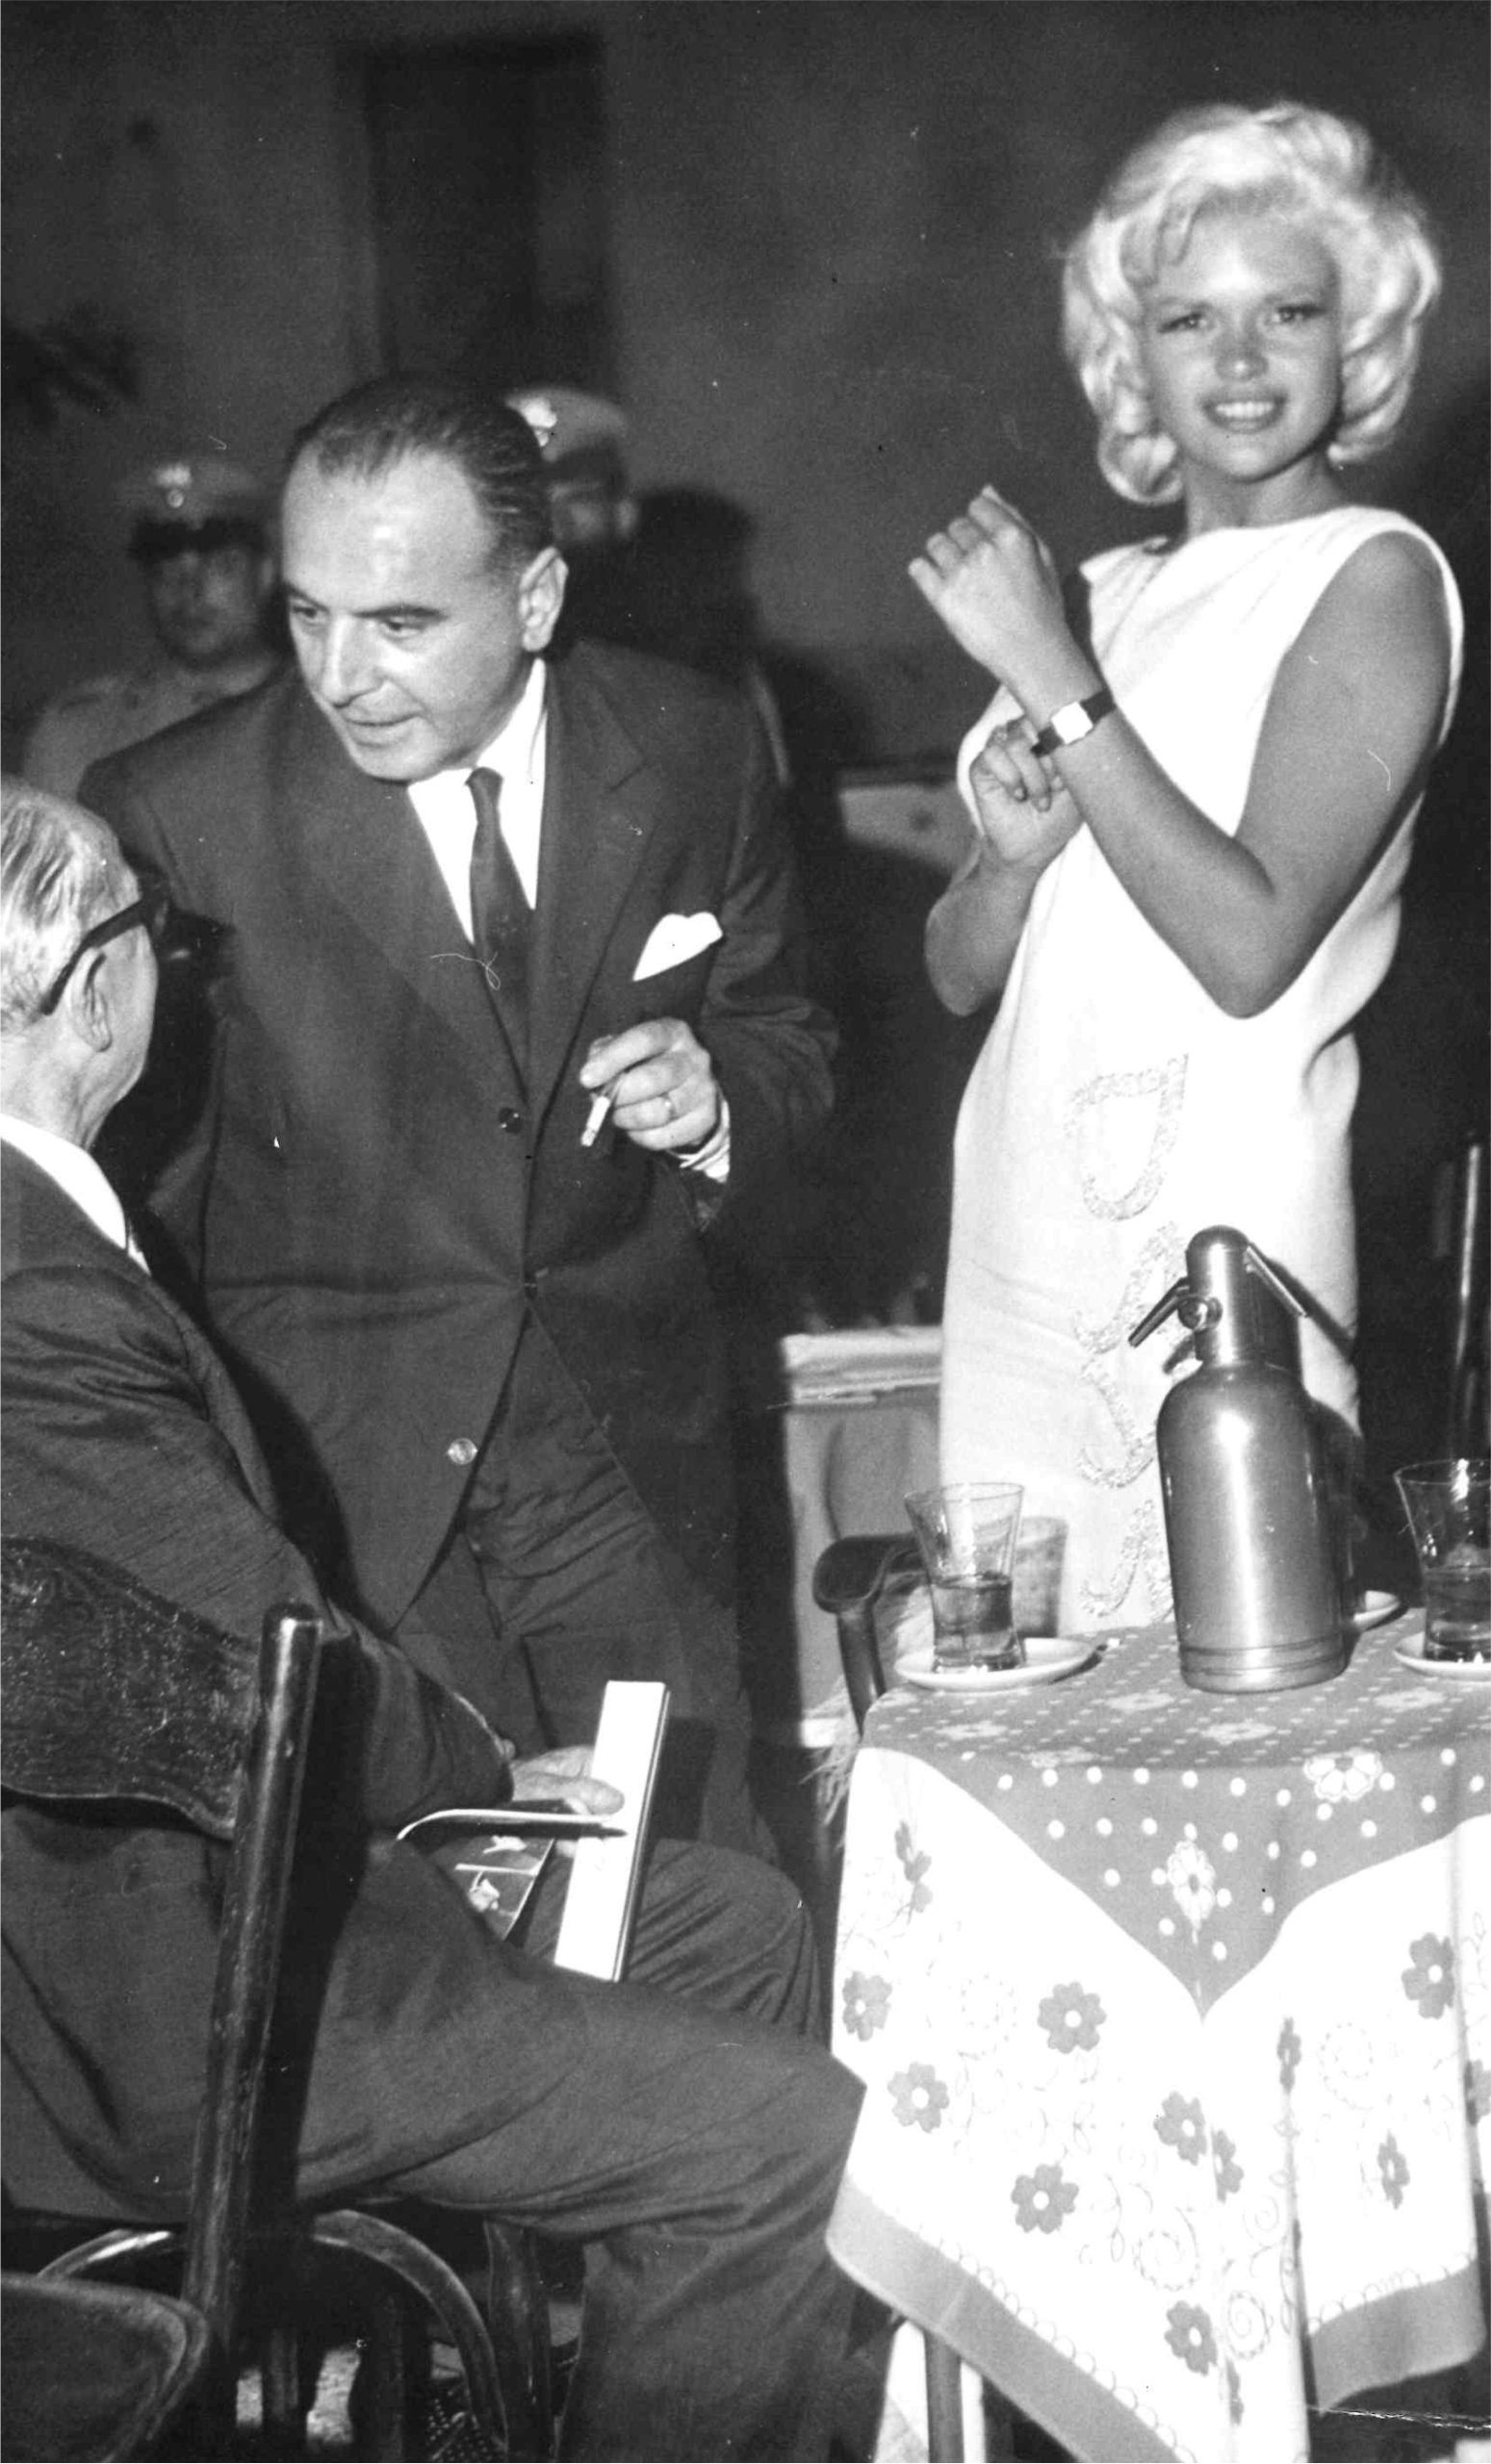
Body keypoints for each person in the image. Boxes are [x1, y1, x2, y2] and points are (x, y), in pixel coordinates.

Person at [0, 777, 864, 2461]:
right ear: (97, 987)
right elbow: (275, 1670)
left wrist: (445, 1790)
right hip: (176, 2020)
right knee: (788, 2137)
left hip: (173, 1926)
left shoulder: (44, 1243)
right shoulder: (33, 1302)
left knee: (734, 1926)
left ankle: (638, 2399)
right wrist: (466, 1774)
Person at [82, 374, 835, 1853]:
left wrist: (718, 1097)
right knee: (460, 1957)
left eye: (401, 623)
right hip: (345, 1485)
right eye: (307, 614)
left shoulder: (692, 746)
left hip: (623, 1447)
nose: (340, 675)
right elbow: (135, 1216)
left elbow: (788, 1037)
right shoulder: (178, 813)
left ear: (538, 597)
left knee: (702, 1900)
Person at [911, 102, 1464, 1632]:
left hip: (1216, 1215)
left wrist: (1048, 674)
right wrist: (1013, 865)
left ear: (1354, 344)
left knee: (1232, 1662)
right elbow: (955, 974)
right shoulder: (1101, 588)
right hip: (1026, 1210)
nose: (1237, 362)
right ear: (1127, 356)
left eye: (1287, 312)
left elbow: (1248, 946)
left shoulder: (1371, 577)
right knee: (1037, 1671)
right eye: (1188, 319)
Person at [22, 453, 284, 796]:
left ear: (264, 574)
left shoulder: (322, 719)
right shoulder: (82, 732)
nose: (189, 591)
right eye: (168, 570)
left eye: (220, 566)